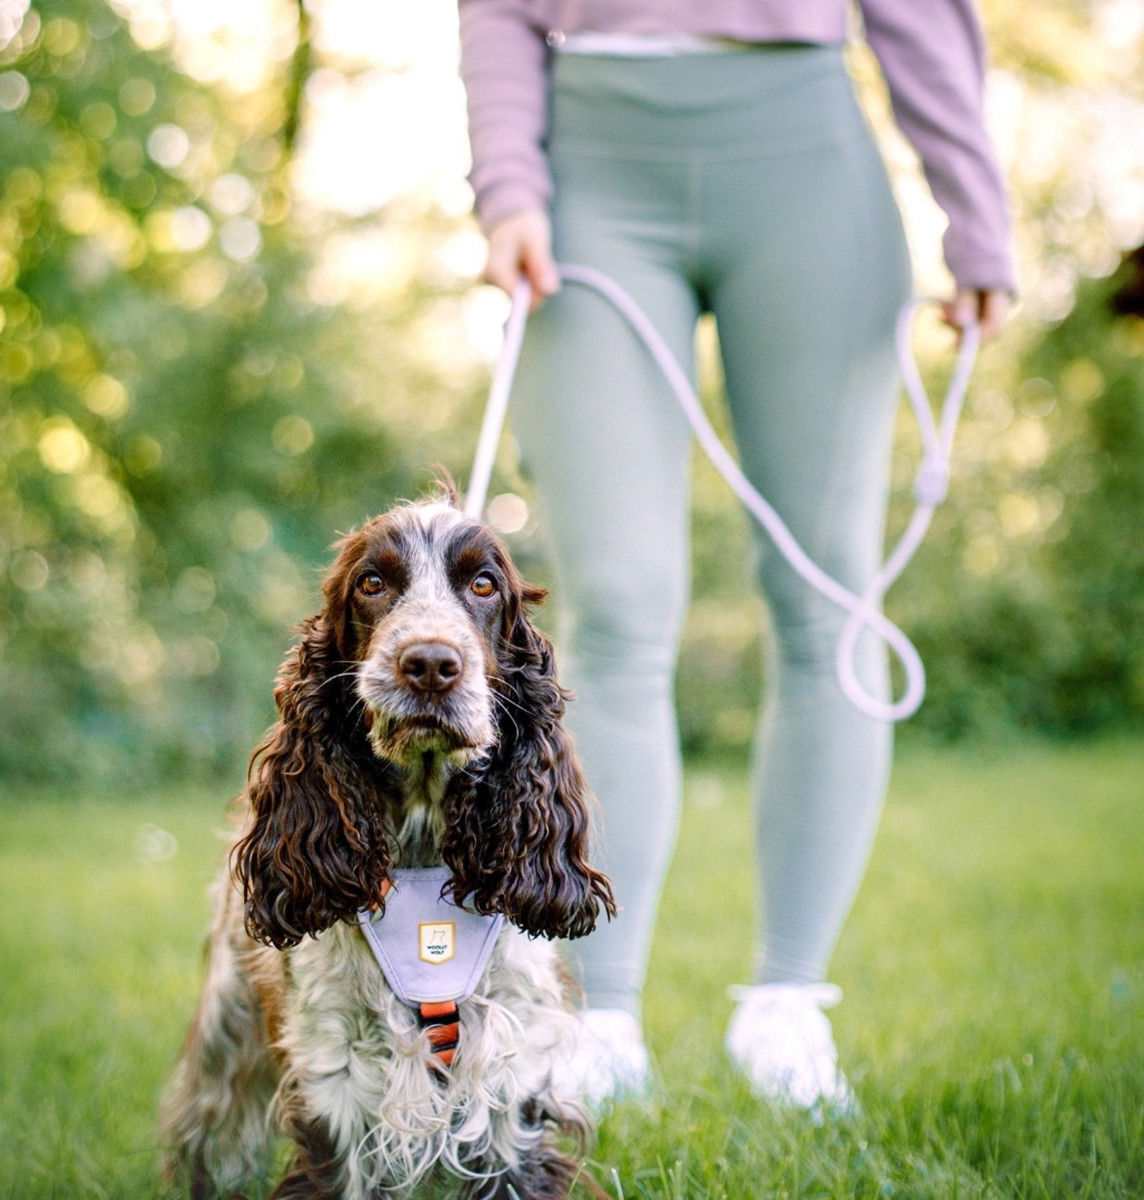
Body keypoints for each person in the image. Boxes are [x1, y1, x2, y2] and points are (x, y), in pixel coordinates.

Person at [457, 0, 1014, 1113]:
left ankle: (788, 1008)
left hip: (806, 160)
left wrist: (976, 214)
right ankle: (596, 1015)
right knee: (615, 604)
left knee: (828, 601)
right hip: (588, 175)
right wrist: (508, 186)